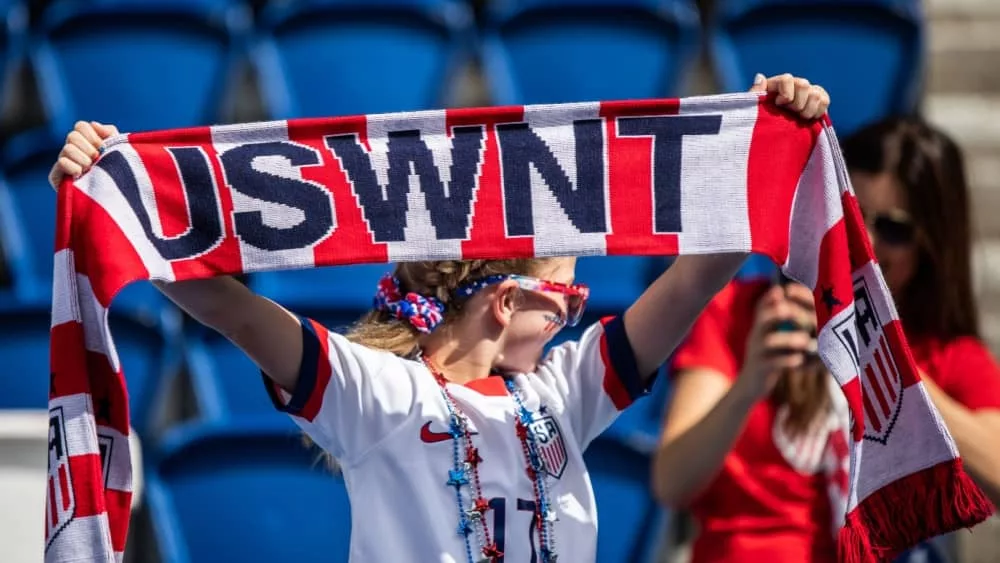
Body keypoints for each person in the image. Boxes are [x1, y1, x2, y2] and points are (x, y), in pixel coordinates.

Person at [50, 74, 829, 563]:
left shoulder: (563, 392)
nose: (576, 319)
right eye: (571, 297)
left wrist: (765, 133)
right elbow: (222, 302)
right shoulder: (379, 392)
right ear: (507, 298)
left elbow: (697, 278)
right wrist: (118, 187)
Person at [651, 115, 1000, 563]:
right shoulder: (743, 312)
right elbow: (671, 482)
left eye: (894, 228)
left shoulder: (946, 354)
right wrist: (749, 385)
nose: (866, 244)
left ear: (934, 244)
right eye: (852, 216)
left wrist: (884, 359)